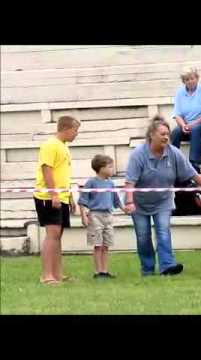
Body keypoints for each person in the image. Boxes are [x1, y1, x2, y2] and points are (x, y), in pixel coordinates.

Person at [124, 116, 201, 276]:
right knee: (143, 237)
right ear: (151, 135)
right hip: (139, 203)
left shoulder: (174, 153)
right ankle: (148, 269)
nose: (166, 137)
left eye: (168, 134)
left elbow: (192, 174)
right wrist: (130, 201)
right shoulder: (138, 154)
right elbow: (130, 182)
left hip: (163, 201)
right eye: (162, 134)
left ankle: (167, 266)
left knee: (163, 232)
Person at [33, 115, 81, 285]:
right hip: (48, 196)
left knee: (58, 236)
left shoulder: (63, 147)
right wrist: (53, 194)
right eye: (75, 130)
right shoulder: (50, 145)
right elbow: (47, 169)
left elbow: (63, 175)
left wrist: (69, 198)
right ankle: (47, 276)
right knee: (52, 235)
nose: (76, 134)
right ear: (66, 129)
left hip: (62, 196)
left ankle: (57, 274)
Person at [78, 155, 128, 279]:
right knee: (98, 245)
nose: (112, 169)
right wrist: (84, 216)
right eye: (110, 166)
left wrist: (124, 209)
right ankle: (98, 271)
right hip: (95, 216)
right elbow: (82, 200)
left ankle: (105, 271)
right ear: (100, 168)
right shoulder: (91, 182)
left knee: (106, 245)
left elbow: (116, 200)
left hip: (108, 216)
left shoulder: (111, 183)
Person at [170, 67, 201, 173]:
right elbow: (177, 114)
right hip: (187, 124)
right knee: (176, 132)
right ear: (183, 81)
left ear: (197, 78)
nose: (190, 81)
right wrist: (183, 126)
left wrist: (192, 125)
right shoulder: (180, 93)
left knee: (196, 129)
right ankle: (172, 161)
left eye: (192, 78)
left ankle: (194, 164)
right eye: (187, 79)